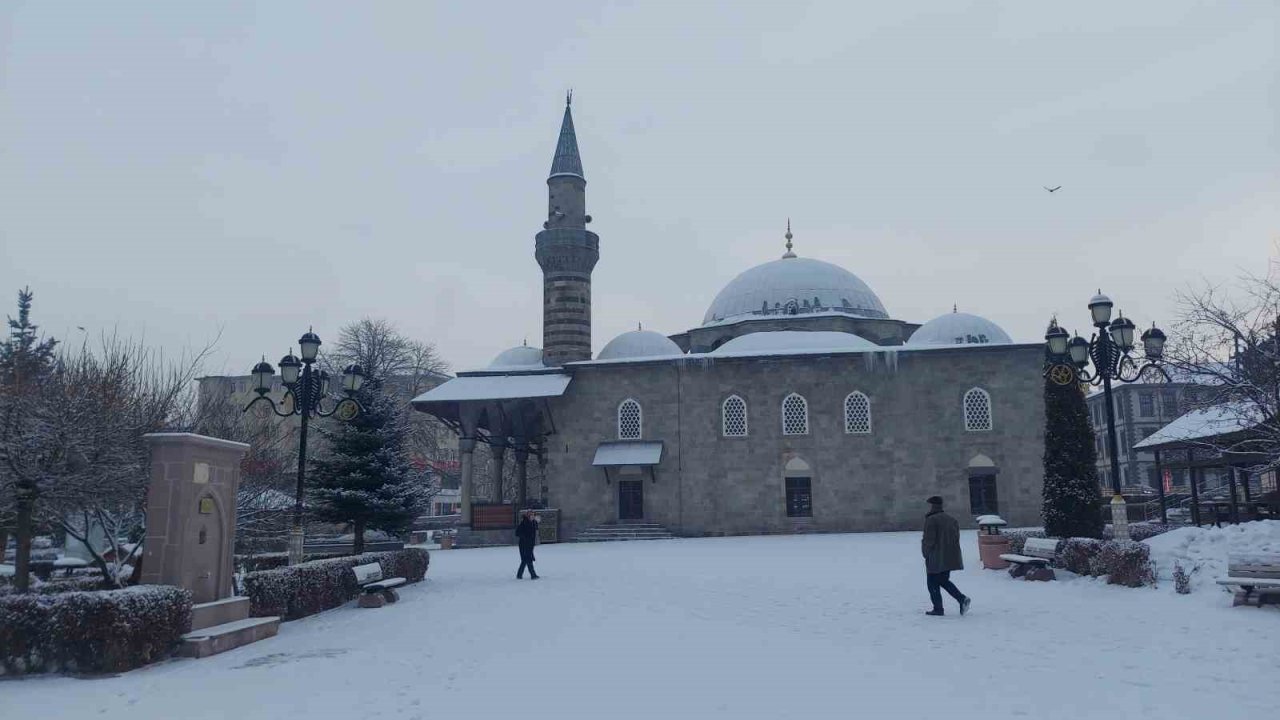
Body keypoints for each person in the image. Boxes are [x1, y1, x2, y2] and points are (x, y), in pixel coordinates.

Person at [921, 495, 969, 616]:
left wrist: (925, 553)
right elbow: (956, 538)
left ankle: (940, 608)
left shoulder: (931, 520)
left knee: (932, 582)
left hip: (936, 557)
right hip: (949, 557)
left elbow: (929, 540)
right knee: (943, 580)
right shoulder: (951, 519)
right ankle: (961, 599)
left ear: (932, 506)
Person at [515, 510, 539, 580]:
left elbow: (535, 530)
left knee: (525, 560)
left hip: (530, 544)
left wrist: (537, 522)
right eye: (530, 515)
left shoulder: (534, 523)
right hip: (524, 544)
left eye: (533, 515)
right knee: (528, 559)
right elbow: (517, 533)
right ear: (527, 516)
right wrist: (524, 537)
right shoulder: (523, 523)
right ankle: (533, 575)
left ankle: (519, 575)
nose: (532, 516)